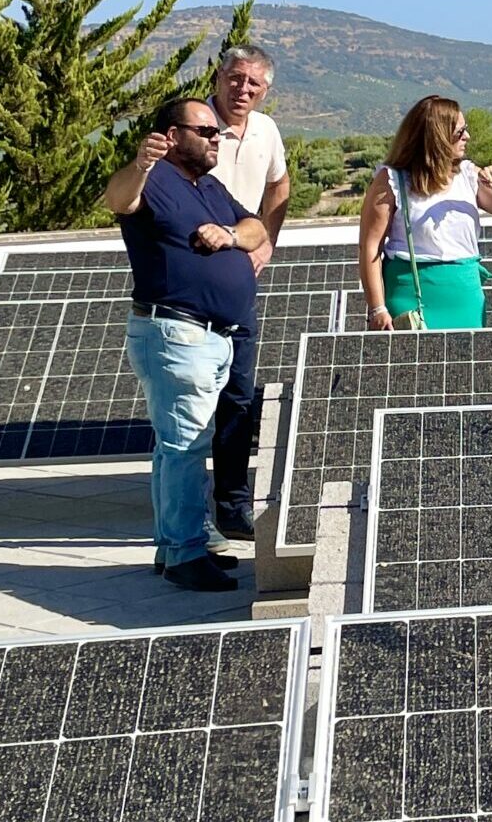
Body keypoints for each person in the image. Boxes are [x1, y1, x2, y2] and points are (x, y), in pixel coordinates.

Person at [105, 98, 269, 592]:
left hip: (215, 338)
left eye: (218, 132)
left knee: (178, 447)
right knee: (183, 447)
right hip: (177, 333)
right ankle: (183, 555)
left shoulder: (210, 187)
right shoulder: (151, 179)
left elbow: (256, 226)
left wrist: (231, 236)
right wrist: (140, 163)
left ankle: (180, 542)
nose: (217, 138)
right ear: (173, 135)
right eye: (207, 131)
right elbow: (118, 200)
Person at [202, 45, 288, 541]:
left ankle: (232, 505)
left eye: (254, 84)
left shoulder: (267, 132)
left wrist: (264, 242)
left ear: (265, 90)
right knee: (194, 396)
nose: (243, 90)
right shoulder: (193, 125)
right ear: (219, 78)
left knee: (237, 393)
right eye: (236, 79)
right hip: (192, 275)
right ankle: (190, 510)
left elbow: (280, 186)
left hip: (238, 274)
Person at [356, 96, 492, 330]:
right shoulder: (392, 180)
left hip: (464, 297)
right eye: (460, 132)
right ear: (437, 137)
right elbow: (370, 247)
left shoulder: (468, 175)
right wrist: (377, 308)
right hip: (410, 296)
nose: (467, 137)